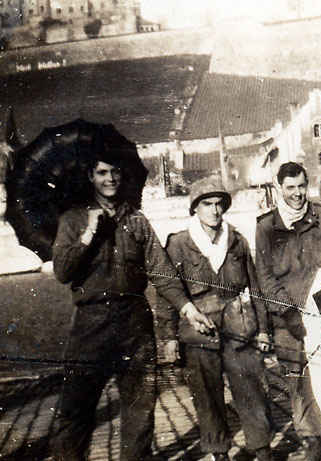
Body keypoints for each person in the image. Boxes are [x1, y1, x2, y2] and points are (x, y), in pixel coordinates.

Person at [50, 151, 212, 461]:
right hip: (90, 324)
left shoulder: (136, 220)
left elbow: (162, 272)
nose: (110, 179)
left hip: (134, 324)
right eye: (101, 172)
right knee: (76, 410)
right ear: (90, 177)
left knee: (140, 409)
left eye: (115, 172)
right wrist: (88, 234)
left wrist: (187, 309)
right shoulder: (73, 219)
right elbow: (62, 272)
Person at [163, 176, 274, 461]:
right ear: (195, 209)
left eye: (219, 204)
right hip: (199, 333)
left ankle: (261, 450)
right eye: (207, 204)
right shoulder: (179, 244)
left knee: (252, 392)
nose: (214, 210)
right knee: (207, 399)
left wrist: (263, 330)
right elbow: (166, 293)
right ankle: (218, 453)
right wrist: (168, 337)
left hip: (240, 329)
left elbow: (257, 289)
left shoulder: (236, 241)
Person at [255, 162, 321, 461]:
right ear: (280, 188)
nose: (297, 194)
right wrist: (289, 312)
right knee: (297, 379)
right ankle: (311, 439)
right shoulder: (266, 227)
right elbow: (265, 277)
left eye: (301, 186)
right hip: (288, 320)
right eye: (290, 188)